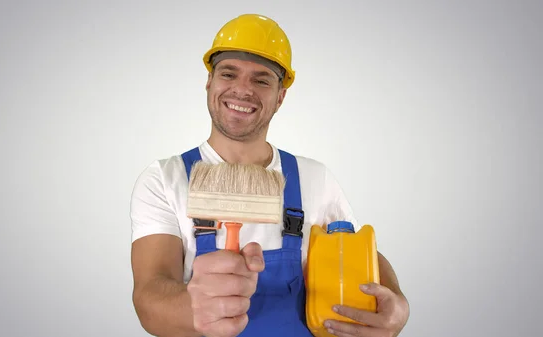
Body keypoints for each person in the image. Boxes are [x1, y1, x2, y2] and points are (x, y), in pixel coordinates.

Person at [130, 13, 410, 337]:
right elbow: (149, 296)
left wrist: (398, 303)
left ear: (280, 96)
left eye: (261, 80)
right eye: (229, 73)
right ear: (209, 81)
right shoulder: (164, 179)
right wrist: (192, 306)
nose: (242, 89)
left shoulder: (313, 178)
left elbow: (359, 250)